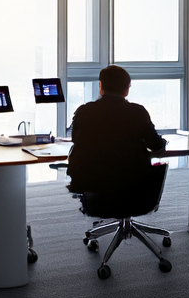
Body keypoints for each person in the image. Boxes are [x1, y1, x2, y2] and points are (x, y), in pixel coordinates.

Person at [67, 65, 167, 206]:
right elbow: (156, 145)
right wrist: (163, 142)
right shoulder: (137, 112)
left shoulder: (84, 112)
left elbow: (76, 140)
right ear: (127, 89)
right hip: (134, 188)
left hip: (93, 188)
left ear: (101, 86)